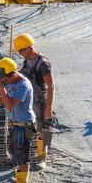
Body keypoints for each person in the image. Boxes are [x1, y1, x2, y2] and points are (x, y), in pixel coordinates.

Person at [14, 33, 55, 170]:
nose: (19, 54)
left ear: (27, 48)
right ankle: (35, 151)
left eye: (20, 51)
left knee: (45, 129)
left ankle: (43, 158)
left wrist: (48, 109)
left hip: (41, 101)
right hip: (30, 99)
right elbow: (23, 71)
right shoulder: (28, 60)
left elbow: (51, 86)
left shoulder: (43, 63)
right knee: (32, 128)